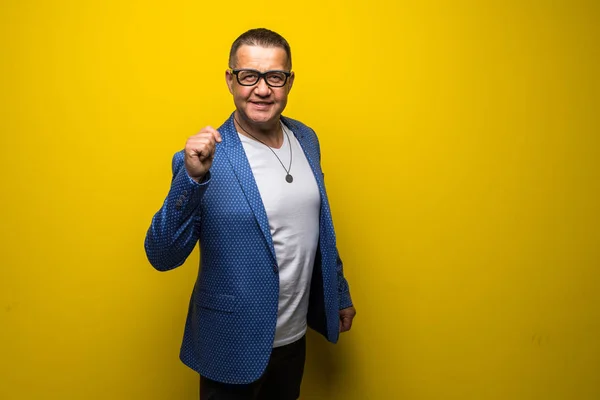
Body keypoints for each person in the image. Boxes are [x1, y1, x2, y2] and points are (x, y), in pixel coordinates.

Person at [144, 28, 356, 400]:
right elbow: (161, 255)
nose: (262, 89)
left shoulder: (306, 139)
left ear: (289, 82)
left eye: (274, 77)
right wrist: (192, 179)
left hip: (293, 338)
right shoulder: (204, 159)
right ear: (231, 80)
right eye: (248, 76)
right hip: (230, 343)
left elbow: (317, 226)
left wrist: (338, 292)